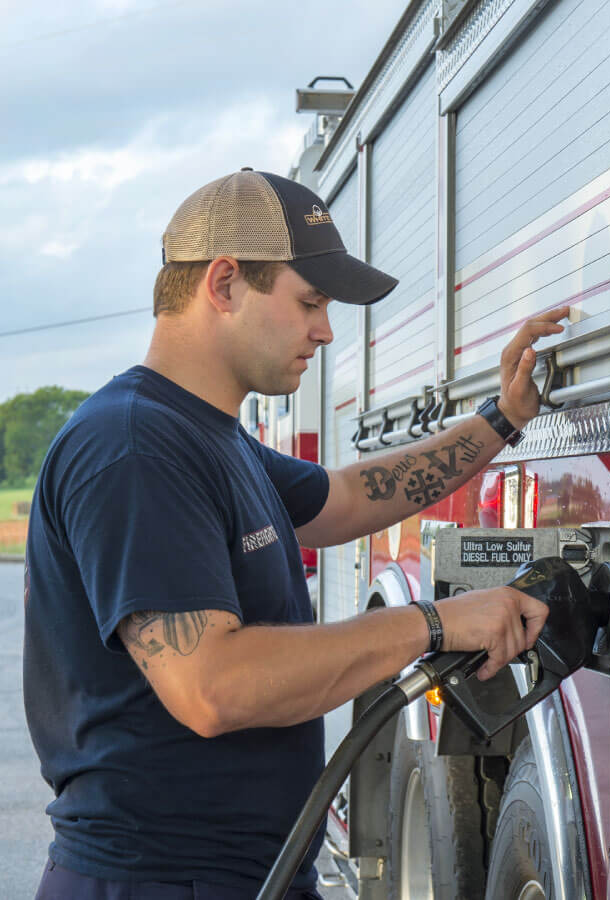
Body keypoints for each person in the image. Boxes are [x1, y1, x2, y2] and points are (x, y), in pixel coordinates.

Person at [23, 168, 570, 899]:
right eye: (309, 301)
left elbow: (347, 498)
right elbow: (212, 685)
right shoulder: (133, 446)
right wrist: (434, 624)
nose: (326, 328)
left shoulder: (215, 439)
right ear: (223, 284)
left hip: (245, 877)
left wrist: (501, 418)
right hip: (156, 881)